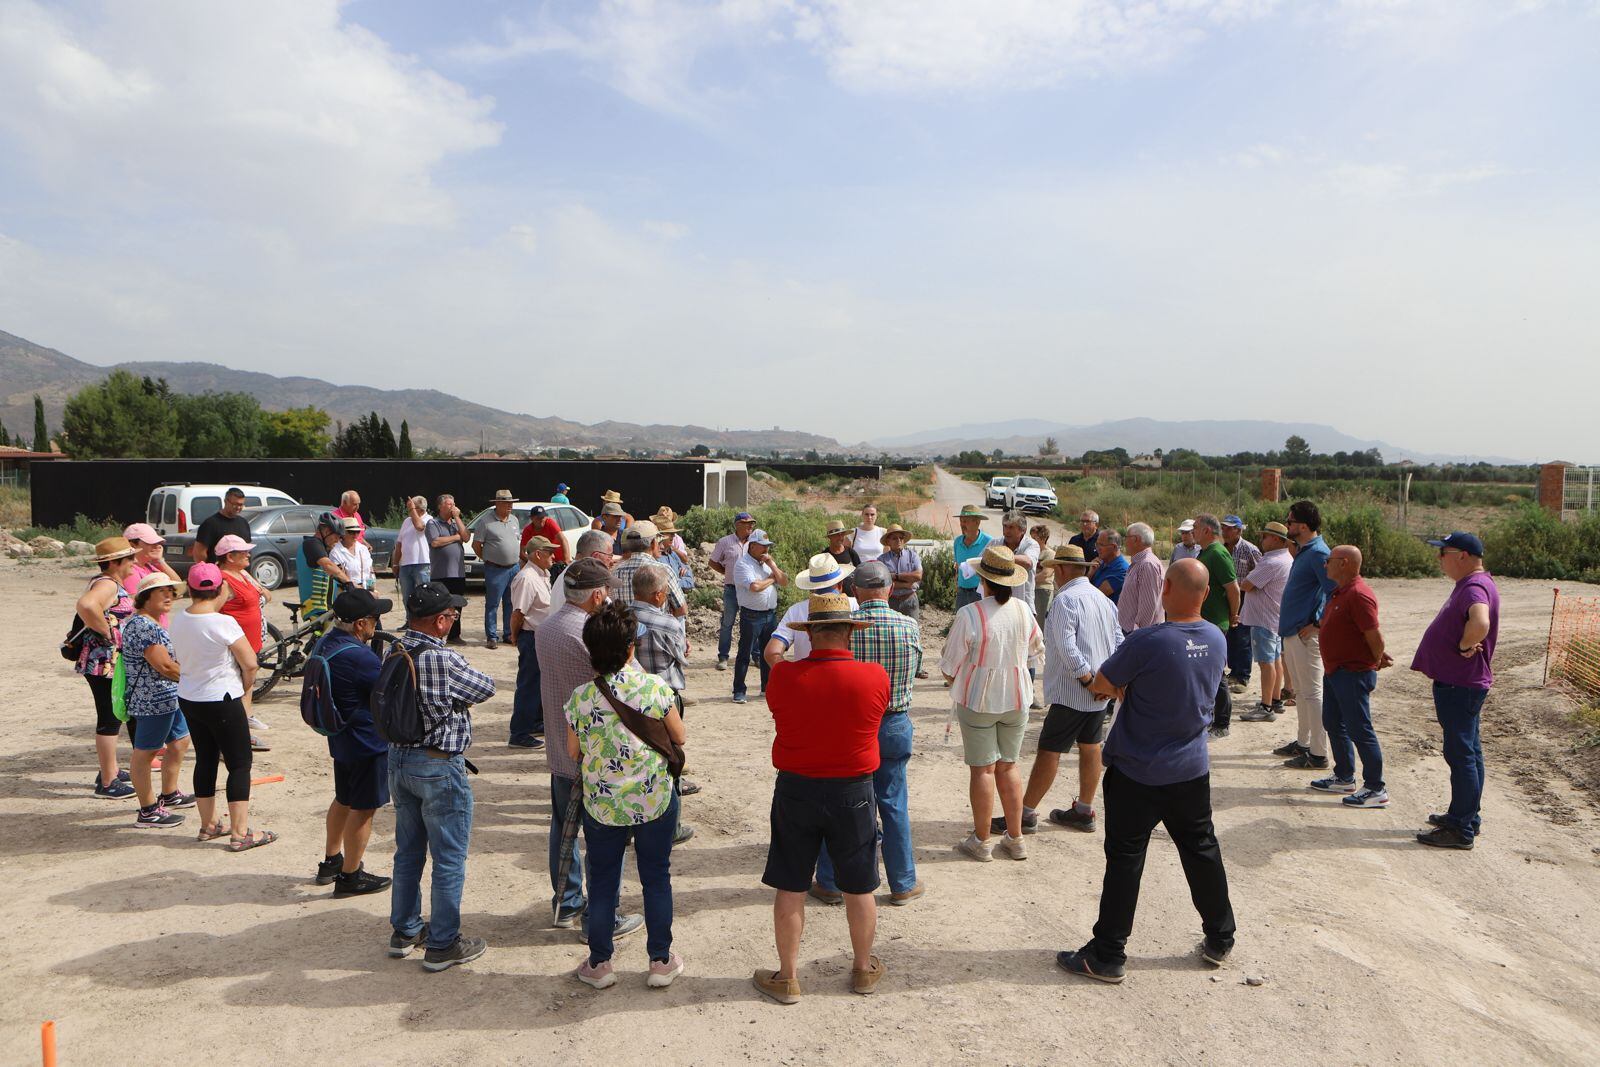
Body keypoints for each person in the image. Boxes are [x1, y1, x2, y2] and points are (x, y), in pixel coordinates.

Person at [1056, 559, 1236, 984]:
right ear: (1207, 595)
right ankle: (1220, 937)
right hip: (1191, 767)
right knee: (1201, 849)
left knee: (1125, 859)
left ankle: (1108, 953)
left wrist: (1122, 683)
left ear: (1165, 589)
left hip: (1138, 770)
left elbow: (1101, 682)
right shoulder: (1216, 637)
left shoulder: (1148, 640)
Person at [754, 592, 888, 1004]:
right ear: (849, 633)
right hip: (854, 788)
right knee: (860, 885)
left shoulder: (784, 676)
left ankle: (788, 977)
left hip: (796, 786)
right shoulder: (875, 676)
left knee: (790, 884)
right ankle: (863, 970)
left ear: (811, 633)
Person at [565, 600, 688, 990]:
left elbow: (573, 752)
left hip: (602, 804)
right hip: (654, 798)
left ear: (590, 650)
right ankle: (661, 960)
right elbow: (679, 736)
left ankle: (599, 963)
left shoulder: (581, 698)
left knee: (602, 881)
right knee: (656, 877)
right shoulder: (654, 688)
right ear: (631, 647)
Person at [387, 581, 497, 971]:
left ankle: (405, 931)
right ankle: (443, 943)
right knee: (448, 858)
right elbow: (486, 687)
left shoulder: (395, 648)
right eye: (451, 615)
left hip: (398, 760)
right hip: (437, 764)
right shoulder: (442, 658)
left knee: (408, 852)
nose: (453, 620)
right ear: (439, 620)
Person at [538, 558, 645, 942]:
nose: (611, 596)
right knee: (604, 837)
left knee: (562, 830)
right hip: (598, 752)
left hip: (559, 745)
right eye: (609, 591)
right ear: (597, 594)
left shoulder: (547, 627)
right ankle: (601, 918)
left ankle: (566, 903)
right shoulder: (588, 633)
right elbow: (623, 686)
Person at [809, 561, 924, 906]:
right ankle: (902, 882)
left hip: (852, 725)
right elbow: (916, 670)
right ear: (890, 590)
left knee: (842, 803)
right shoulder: (909, 626)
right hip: (894, 722)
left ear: (854, 591)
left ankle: (829, 882)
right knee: (893, 803)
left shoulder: (849, 630)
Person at [941, 544, 1045, 862]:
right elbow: (1036, 648)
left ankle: (982, 840)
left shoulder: (970, 614)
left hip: (979, 698)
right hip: (1016, 695)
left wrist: (956, 678)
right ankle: (1015, 838)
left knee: (983, 770)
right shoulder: (1024, 610)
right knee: (1008, 765)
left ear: (982, 580)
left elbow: (949, 665)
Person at [1008, 546, 1122, 835]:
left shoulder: (1065, 601)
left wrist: (1088, 680)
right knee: (1091, 746)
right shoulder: (1103, 600)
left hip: (1074, 690)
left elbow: (1066, 647)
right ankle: (1084, 809)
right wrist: (1109, 682)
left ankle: (1026, 812)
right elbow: (1120, 642)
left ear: (1061, 570)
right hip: (1100, 689)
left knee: (1050, 750)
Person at [170, 563, 272, 852]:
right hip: (222, 698)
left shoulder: (179, 619)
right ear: (221, 588)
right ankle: (240, 833)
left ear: (190, 589)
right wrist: (245, 685)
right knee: (239, 763)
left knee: (205, 758)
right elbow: (250, 662)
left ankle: (208, 824)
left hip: (190, 697)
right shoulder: (223, 622)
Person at [1411, 531, 1500, 850]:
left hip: (1460, 684)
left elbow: (1480, 623)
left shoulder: (1475, 586)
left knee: (1460, 753)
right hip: (1462, 683)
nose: (1440, 558)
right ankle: (1465, 816)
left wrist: (1464, 645)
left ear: (1462, 555)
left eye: (1444, 552)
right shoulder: (1474, 583)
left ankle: (1461, 827)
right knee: (1469, 752)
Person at [312, 589, 394, 897]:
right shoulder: (359, 656)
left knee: (343, 798)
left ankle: (331, 860)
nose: (377, 623)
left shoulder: (326, 641)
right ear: (360, 624)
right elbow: (387, 689)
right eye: (375, 618)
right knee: (364, 808)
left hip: (340, 736)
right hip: (366, 741)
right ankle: (350, 877)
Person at [1313, 546, 1393, 808]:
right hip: (1336, 671)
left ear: (1344, 563)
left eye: (1329, 561)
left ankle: (1375, 787)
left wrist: (1375, 658)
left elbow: (1374, 635)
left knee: (1360, 729)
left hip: (1353, 673)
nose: (1326, 565)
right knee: (1333, 722)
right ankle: (1344, 776)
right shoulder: (1341, 592)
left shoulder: (1359, 595)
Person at [120, 573, 194, 827]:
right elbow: (163, 665)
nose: (169, 596)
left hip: (167, 698)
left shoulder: (149, 622)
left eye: (171, 591)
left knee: (180, 741)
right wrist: (193, 677)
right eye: (161, 591)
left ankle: (169, 793)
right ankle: (148, 810)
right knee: (145, 753)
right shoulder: (143, 626)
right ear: (145, 597)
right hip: (152, 700)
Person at [76, 536, 139, 798]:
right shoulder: (107, 584)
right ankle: (108, 781)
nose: (134, 563)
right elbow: (86, 605)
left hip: (105, 661)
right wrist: (109, 634)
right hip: (104, 662)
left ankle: (108, 770)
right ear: (115, 563)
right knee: (110, 718)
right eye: (130, 558)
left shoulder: (109, 582)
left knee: (114, 715)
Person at [1276, 501, 1337, 770]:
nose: (1287, 525)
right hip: (1293, 632)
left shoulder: (1318, 553)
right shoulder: (1305, 551)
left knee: (1312, 693)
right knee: (1301, 692)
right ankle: (1304, 743)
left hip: (1305, 635)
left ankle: (1319, 753)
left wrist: (1318, 623)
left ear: (1302, 525)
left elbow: (1335, 591)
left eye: (1289, 522)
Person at [1238, 522, 1294, 723]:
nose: (1262, 540)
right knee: (1275, 660)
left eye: (1266, 537)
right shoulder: (1285, 558)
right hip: (1273, 618)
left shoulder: (1272, 562)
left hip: (1264, 619)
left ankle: (1266, 706)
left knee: (1266, 663)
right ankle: (1275, 700)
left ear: (1278, 540)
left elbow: (1247, 584)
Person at [507, 536, 558, 750]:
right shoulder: (527, 578)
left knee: (538, 683)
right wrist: (516, 636)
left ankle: (535, 722)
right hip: (531, 636)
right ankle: (519, 732)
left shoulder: (542, 574)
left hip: (540, 636)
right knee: (528, 684)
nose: (554, 557)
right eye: (550, 552)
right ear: (538, 554)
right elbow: (518, 613)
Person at [1192, 514, 1240, 739]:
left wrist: (1233, 615)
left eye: (1196, 527)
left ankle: (1222, 723)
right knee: (1204, 672)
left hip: (1215, 622)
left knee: (1216, 673)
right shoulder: (1205, 552)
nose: (1192, 530)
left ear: (1207, 531)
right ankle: (1208, 718)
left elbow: (1233, 588)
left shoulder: (1218, 553)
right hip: (1203, 620)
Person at [765, 554, 859, 667]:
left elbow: (771, 653)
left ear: (811, 587)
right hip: (847, 677)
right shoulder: (855, 605)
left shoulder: (796, 610)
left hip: (806, 678)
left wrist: (791, 676)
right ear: (840, 584)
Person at [732, 530, 786, 704]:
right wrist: (771, 579)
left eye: (768, 547)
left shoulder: (767, 563)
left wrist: (772, 566)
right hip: (751, 615)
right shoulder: (742, 564)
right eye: (763, 546)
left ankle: (767, 687)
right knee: (745, 653)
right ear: (752, 546)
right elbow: (754, 586)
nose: (766, 549)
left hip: (770, 614)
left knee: (767, 652)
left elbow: (784, 581)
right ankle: (739, 690)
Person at [472, 489, 522, 649]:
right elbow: (476, 545)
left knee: (511, 602)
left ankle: (508, 634)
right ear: (498, 504)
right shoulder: (486, 522)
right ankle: (491, 636)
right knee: (492, 604)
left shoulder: (514, 520)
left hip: (513, 568)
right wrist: (488, 558)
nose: (510, 506)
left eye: (511, 503)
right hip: (495, 569)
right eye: (507, 503)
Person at [709, 512, 756, 670]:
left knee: (750, 623)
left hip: (750, 590)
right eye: (747, 523)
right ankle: (723, 657)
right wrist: (728, 572)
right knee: (727, 624)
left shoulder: (755, 542)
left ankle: (751, 656)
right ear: (737, 525)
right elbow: (713, 562)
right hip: (731, 589)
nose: (750, 526)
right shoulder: (725, 542)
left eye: (752, 523)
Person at [610, 522, 686, 618]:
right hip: (656, 631)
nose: (661, 546)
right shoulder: (663, 570)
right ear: (653, 544)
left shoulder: (615, 572)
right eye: (659, 542)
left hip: (625, 631)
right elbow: (682, 610)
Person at [426, 494, 468, 643]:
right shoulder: (433, 523)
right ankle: (437, 633)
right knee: (440, 605)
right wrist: (456, 538)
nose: (453, 507)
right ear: (440, 506)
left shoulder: (456, 523)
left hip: (458, 572)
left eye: (454, 504)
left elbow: (467, 537)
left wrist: (457, 518)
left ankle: (454, 635)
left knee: (457, 604)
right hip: (441, 573)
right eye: (449, 504)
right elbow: (436, 542)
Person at [122, 522, 181, 627]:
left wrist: (160, 561)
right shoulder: (131, 572)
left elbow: (178, 586)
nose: (157, 546)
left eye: (157, 543)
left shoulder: (149, 567)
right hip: (148, 629)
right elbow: (136, 605)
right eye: (150, 543)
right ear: (132, 545)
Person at [296, 513, 353, 620]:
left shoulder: (321, 546)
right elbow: (327, 565)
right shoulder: (312, 543)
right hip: (315, 608)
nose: (338, 541)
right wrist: (348, 582)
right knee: (337, 633)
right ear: (326, 531)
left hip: (325, 607)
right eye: (337, 537)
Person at [1118, 523, 1164, 634]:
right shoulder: (1139, 562)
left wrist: (1138, 635)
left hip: (1137, 634)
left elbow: (1149, 606)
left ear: (1136, 539)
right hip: (1132, 632)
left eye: (1126, 537)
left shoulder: (1147, 564)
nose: (1125, 542)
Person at [190, 487, 252, 564]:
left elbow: (247, 548)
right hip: (216, 572)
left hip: (238, 571)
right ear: (225, 501)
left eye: (241, 505)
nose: (238, 507)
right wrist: (209, 570)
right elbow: (199, 553)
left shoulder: (243, 523)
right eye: (235, 504)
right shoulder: (210, 524)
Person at [877, 524, 923, 623]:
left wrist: (895, 576)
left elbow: (918, 576)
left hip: (910, 600)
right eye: (894, 538)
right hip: (891, 602)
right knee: (891, 633)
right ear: (888, 541)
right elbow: (884, 583)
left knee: (913, 631)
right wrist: (907, 584)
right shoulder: (882, 560)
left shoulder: (913, 555)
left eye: (901, 538)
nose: (898, 540)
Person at [393, 496, 433, 604]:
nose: (408, 510)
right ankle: (409, 620)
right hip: (405, 565)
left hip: (422, 564)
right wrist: (395, 564)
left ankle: (425, 620)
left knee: (424, 596)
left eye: (410, 508)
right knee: (407, 597)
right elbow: (399, 543)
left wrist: (412, 510)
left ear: (419, 509)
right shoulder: (407, 521)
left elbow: (419, 526)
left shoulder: (429, 519)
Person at [951, 505, 992, 612]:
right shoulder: (957, 542)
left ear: (977, 522)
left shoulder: (989, 542)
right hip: (962, 593)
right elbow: (957, 566)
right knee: (962, 625)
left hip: (980, 593)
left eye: (965, 521)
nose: (962, 524)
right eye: (961, 521)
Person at [330, 520, 375, 591]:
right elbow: (340, 577)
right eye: (351, 532)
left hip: (366, 589)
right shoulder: (336, 552)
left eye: (358, 532)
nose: (355, 535)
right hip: (347, 591)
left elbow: (370, 570)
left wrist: (372, 587)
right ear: (343, 533)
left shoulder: (363, 549)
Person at [825, 520, 861, 597]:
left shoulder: (851, 552)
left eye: (842, 534)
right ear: (829, 537)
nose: (840, 537)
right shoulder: (825, 556)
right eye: (837, 535)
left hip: (852, 597)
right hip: (832, 599)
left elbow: (859, 572)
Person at [1093, 530, 1130, 603]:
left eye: (1101, 545)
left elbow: (1095, 597)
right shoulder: (1102, 563)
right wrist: (1090, 573)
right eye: (1097, 544)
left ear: (1114, 547)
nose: (1097, 548)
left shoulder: (1121, 570)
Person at [1030, 524, 1054, 622]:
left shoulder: (1050, 554)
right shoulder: (1031, 551)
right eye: (1031, 537)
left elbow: (1045, 574)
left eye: (1035, 538)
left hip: (1043, 590)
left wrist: (1028, 580)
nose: (1032, 540)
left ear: (1044, 538)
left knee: (1040, 621)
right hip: (1032, 589)